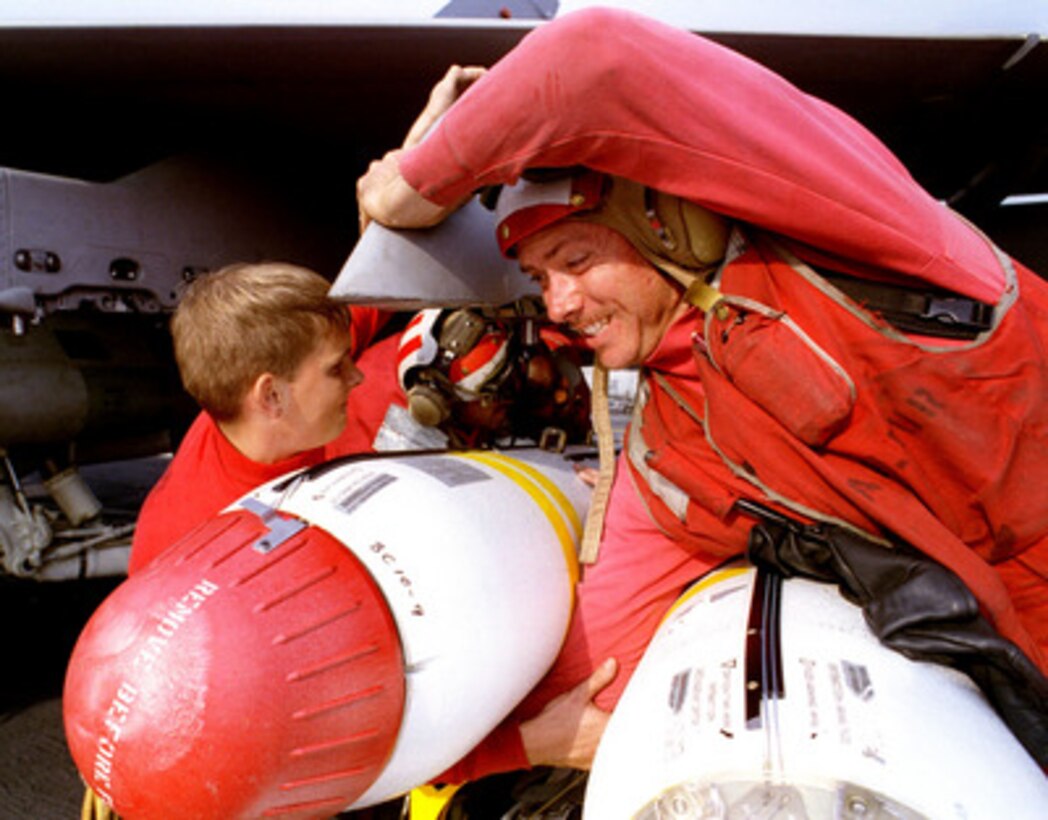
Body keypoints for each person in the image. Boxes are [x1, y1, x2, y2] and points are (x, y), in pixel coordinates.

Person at [357, 7, 1048, 781]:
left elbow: (592, 53)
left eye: (576, 259)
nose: (556, 306)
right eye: (539, 280)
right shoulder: (674, 458)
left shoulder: (868, 244)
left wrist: (411, 190)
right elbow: (587, 679)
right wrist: (523, 750)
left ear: (669, 227)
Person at [127, 261, 389, 574]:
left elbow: (382, 279)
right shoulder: (186, 555)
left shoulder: (249, 391)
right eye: (336, 369)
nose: (355, 376)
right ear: (272, 395)